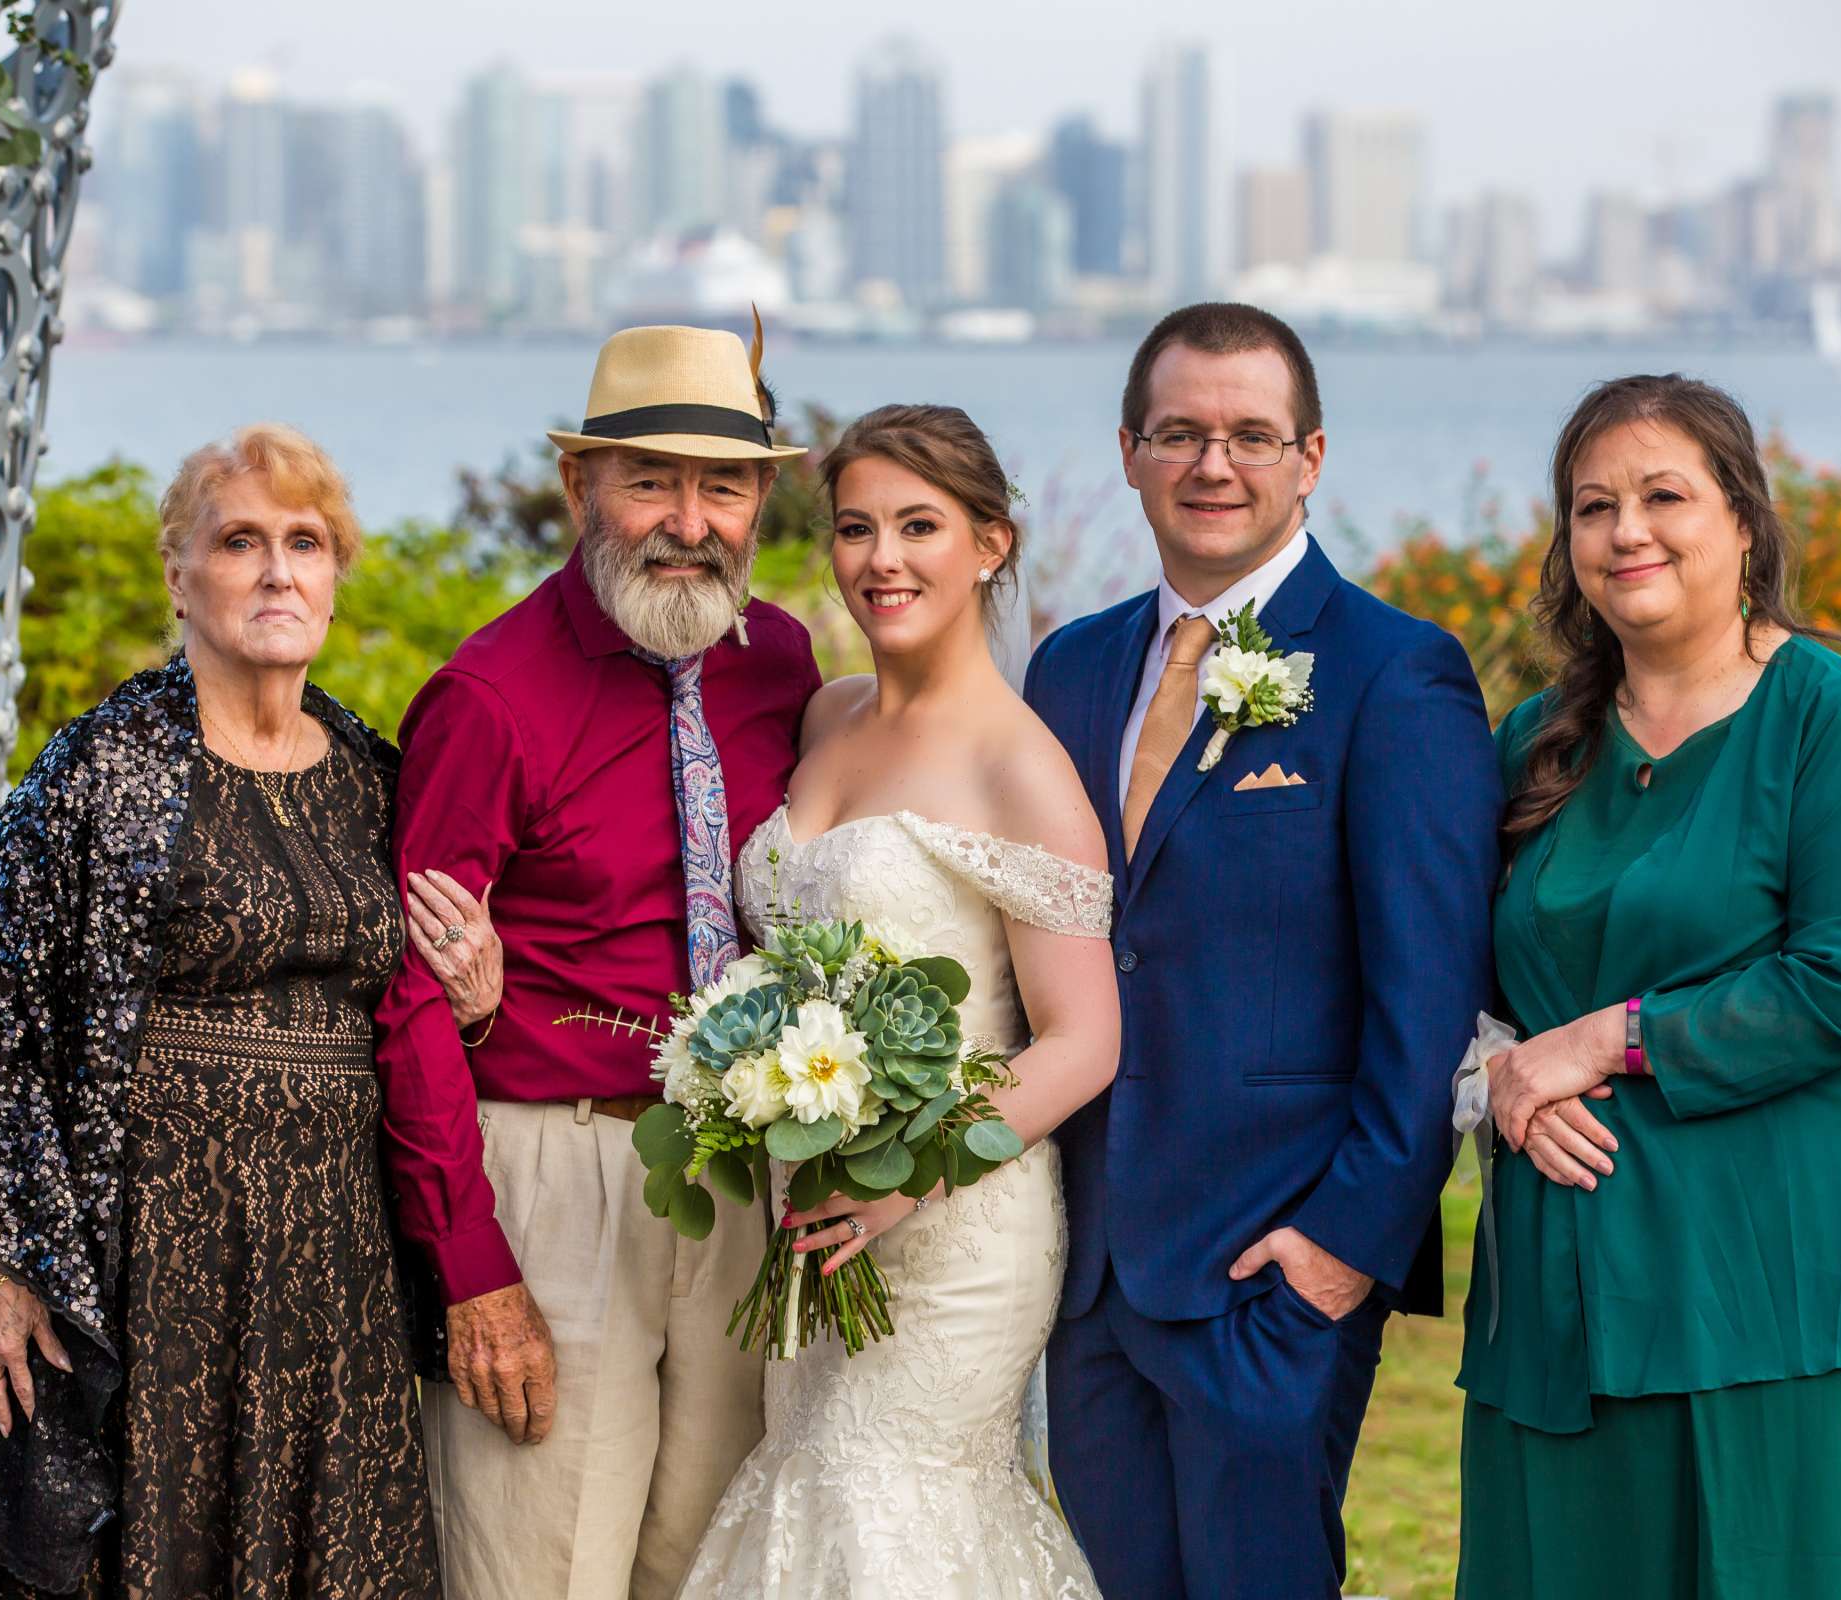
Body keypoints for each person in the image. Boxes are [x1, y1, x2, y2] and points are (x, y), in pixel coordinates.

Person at [1457, 374, 1841, 1597]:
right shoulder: (1532, 744)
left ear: (1743, 520)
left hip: (1815, 1283)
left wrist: (1608, 1039)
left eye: (1663, 495)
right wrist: (1493, 1070)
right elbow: (1447, 966)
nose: (1626, 531)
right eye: (1592, 506)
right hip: (1583, 1289)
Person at [0, 423, 502, 1597]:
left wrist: (480, 1000)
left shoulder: (373, 774)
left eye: (305, 542)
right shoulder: (98, 770)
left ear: (338, 575)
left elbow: (413, 1016)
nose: (278, 570)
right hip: (157, 1268)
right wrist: (0, 1271)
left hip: (335, 1267)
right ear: (179, 575)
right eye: (240, 541)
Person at [1024, 304, 1502, 1598]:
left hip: (1269, 1276)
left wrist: (1347, 1243)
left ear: (1311, 457)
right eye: (1179, 432)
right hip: (1090, 1270)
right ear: (1129, 448)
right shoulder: (1067, 671)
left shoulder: (1395, 673)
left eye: (1249, 435)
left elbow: (1431, 995)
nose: (1212, 465)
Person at [374, 324, 823, 1600]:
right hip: (556, 1180)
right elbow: (412, 1000)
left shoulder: (780, 664)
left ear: (760, 501)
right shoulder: (490, 697)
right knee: (541, 1565)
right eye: (650, 480)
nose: (690, 521)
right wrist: (476, 1275)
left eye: (723, 486)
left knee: (710, 1560)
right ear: (582, 490)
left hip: (737, 1180)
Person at [682, 404, 1122, 1596]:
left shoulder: (1018, 764)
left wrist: (904, 1182)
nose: (883, 560)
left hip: (956, 1231)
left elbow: (1084, 1041)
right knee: (810, 1495)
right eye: (856, 527)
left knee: (890, 1509)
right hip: (812, 1214)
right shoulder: (826, 715)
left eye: (919, 526)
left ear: (990, 543)